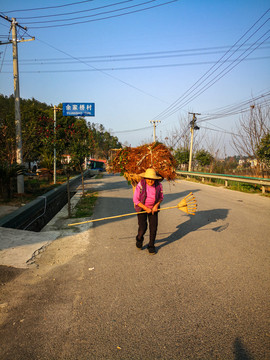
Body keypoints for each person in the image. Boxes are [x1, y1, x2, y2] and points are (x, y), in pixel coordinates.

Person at [133, 168, 164, 254]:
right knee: (143, 228)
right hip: (142, 208)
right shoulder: (141, 185)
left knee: (153, 228)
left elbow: (161, 197)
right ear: (145, 178)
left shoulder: (158, 185)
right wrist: (146, 208)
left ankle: (151, 245)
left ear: (155, 179)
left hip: (154, 209)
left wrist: (156, 205)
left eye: (152, 179)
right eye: (148, 179)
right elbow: (136, 200)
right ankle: (139, 239)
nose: (150, 181)